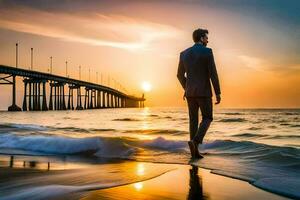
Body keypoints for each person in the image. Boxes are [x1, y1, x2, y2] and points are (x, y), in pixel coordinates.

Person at [177, 28, 221, 158]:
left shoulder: (183, 53)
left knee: (193, 121)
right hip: (204, 92)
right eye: (206, 37)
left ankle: (194, 152)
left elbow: (179, 75)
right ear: (201, 38)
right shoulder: (207, 52)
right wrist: (218, 92)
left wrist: (187, 87)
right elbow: (213, 73)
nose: (208, 40)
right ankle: (195, 142)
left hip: (190, 93)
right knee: (207, 117)